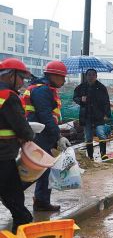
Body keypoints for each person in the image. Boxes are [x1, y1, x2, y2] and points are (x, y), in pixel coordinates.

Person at [22, 60, 71, 212]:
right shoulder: (42, 91)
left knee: (43, 170)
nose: (64, 81)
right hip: (39, 135)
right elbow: (45, 116)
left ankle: (41, 201)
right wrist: (58, 137)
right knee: (37, 170)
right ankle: (12, 192)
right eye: (62, 77)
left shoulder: (43, 89)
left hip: (41, 134)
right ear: (53, 76)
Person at [0, 59, 35, 232]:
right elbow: (21, 126)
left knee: (9, 192)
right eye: (21, 77)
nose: (22, 82)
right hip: (3, 154)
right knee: (13, 192)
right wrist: (29, 135)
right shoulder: (8, 96)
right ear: (11, 75)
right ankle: (22, 230)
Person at [73, 69, 112, 160]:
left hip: (98, 115)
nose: (91, 77)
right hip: (86, 116)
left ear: (96, 76)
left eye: (93, 75)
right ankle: (90, 156)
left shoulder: (101, 87)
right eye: (89, 75)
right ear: (86, 76)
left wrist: (107, 114)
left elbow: (106, 101)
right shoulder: (81, 87)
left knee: (101, 134)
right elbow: (74, 97)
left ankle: (103, 154)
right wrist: (80, 100)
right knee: (88, 137)